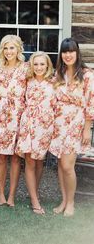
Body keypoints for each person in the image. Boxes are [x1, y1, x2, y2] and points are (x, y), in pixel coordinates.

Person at [50, 38, 94, 217]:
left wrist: (87, 129)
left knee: (68, 166)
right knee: (60, 164)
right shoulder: (58, 75)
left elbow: (91, 103)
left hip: (76, 123)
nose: (68, 55)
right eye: (65, 52)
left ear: (77, 53)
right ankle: (63, 200)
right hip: (58, 124)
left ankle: (71, 203)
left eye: (71, 51)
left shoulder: (87, 75)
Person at [16, 51, 55, 214]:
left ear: (47, 65)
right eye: (36, 64)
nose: (39, 67)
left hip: (45, 126)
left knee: (40, 161)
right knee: (30, 161)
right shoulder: (27, 80)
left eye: (42, 64)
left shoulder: (54, 82)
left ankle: (34, 192)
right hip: (29, 123)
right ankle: (34, 201)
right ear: (31, 65)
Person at [0, 35, 27, 207]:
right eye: (5, 48)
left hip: (18, 116)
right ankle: (0, 194)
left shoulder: (26, 69)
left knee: (15, 158)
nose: (8, 51)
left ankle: (11, 195)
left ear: (18, 49)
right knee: (0, 158)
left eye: (12, 48)